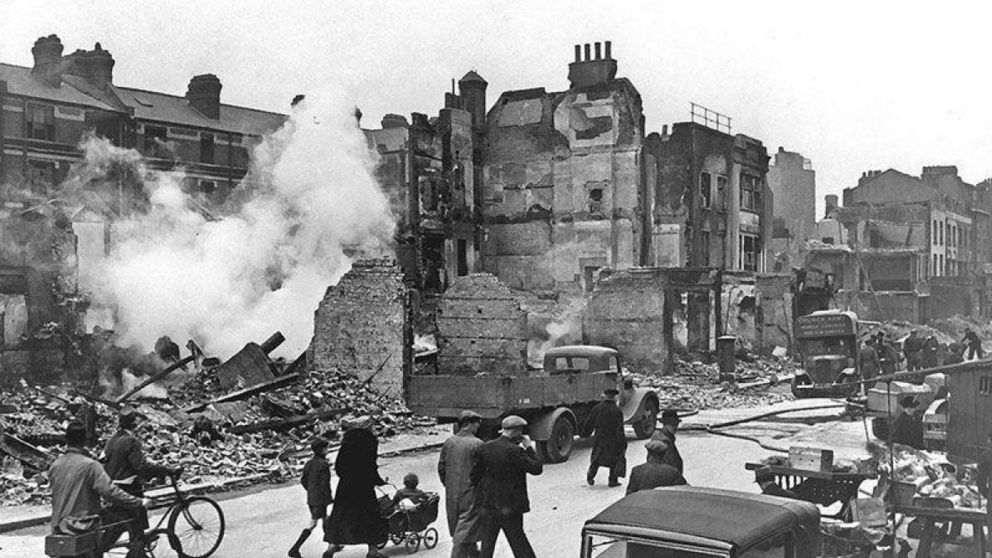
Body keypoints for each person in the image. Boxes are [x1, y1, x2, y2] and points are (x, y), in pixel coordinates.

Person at [49, 421, 149, 552]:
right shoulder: (90, 465)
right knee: (119, 518)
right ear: (85, 441)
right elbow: (110, 492)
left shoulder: (55, 465)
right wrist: (138, 502)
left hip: (58, 527)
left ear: (66, 439)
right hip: (82, 527)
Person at [103, 408, 180, 550]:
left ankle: (134, 546)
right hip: (129, 486)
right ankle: (136, 548)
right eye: (136, 421)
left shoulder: (112, 439)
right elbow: (141, 466)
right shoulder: (131, 441)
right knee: (135, 520)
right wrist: (165, 470)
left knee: (124, 522)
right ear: (133, 424)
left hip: (113, 484)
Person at [471, 415, 543, 558]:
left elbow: (474, 476)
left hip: (489, 505)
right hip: (511, 507)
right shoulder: (515, 451)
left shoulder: (485, 448)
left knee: (487, 545)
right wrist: (529, 448)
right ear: (517, 431)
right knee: (519, 543)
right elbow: (537, 469)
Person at [324, 416, 388, 558]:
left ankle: (331, 548)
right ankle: (373, 551)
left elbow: (339, 467)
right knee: (370, 517)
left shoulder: (347, 441)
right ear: (367, 427)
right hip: (364, 487)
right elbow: (370, 466)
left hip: (346, 486)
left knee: (340, 516)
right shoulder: (370, 441)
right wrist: (378, 481)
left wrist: (347, 477)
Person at [438, 410, 484, 558]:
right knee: (465, 529)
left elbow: (441, 467)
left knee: (460, 525)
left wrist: (448, 484)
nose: (477, 428)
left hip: (452, 492)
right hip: (471, 492)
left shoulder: (449, 442)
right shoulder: (477, 444)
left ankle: (474, 553)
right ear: (469, 424)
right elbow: (482, 471)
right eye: (476, 424)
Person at [288, 438, 336, 558]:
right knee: (313, 523)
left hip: (312, 498)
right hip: (320, 499)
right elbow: (325, 484)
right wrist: (329, 499)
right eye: (326, 448)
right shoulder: (323, 465)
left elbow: (303, 480)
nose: (327, 450)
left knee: (324, 520)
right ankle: (295, 549)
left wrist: (311, 491)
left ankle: (332, 546)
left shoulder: (309, 463)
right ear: (322, 450)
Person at [581, 388, 627, 488]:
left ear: (605, 396)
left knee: (597, 459)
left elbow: (589, 422)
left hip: (599, 438)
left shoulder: (597, 408)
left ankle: (590, 475)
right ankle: (612, 481)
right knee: (614, 460)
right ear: (614, 397)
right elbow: (619, 429)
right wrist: (623, 443)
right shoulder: (617, 411)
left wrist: (585, 434)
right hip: (612, 440)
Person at [649, 409, 683, 474]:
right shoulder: (665, 441)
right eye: (672, 424)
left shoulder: (665, 437)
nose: (675, 427)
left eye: (676, 424)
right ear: (665, 424)